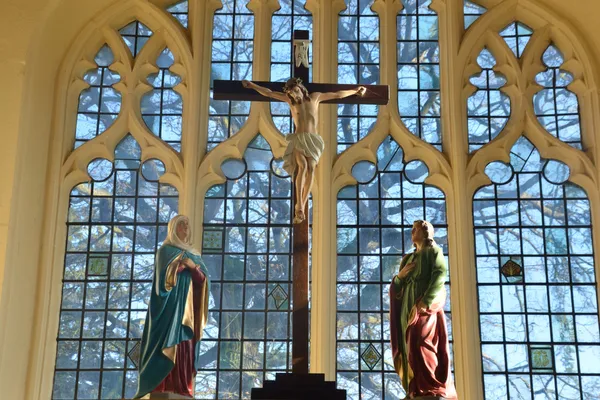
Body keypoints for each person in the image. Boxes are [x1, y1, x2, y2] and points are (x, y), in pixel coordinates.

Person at [242, 78, 366, 223]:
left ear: (301, 88)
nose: (295, 95)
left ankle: (303, 201)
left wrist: (355, 90)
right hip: (299, 139)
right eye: (292, 94)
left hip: (313, 140)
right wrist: (252, 85)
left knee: (311, 169)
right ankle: (299, 205)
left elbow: (337, 95)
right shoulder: (290, 102)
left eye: (295, 91)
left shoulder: (316, 97)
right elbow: (269, 93)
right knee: (303, 166)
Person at [134, 215, 210, 399]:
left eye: (187, 225)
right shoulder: (165, 251)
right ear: (173, 229)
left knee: (184, 347)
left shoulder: (194, 254)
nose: (185, 229)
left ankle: (182, 386)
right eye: (181, 225)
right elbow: (162, 285)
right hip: (169, 310)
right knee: (165, 343)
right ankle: (162, 384)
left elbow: (203, 282)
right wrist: (178, 266)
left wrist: (194, 268)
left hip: (188, 311)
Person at [389, 220, 457, 399]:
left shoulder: (433, 252)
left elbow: (440, 276)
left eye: (421, 228)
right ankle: (415, 388)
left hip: (425, 309)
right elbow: (397, 287)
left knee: (421, 342)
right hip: (407, 308)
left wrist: (425, 302)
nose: (415, 231)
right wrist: (399, 278)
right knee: (409, 346)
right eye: (416, 228)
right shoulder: (408, 259)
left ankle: (431, 386)